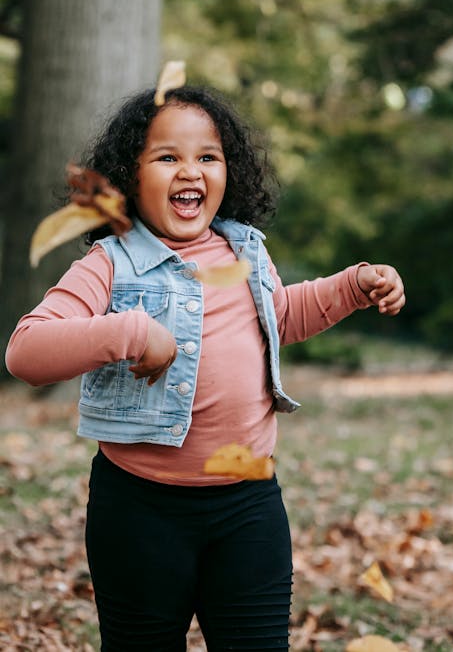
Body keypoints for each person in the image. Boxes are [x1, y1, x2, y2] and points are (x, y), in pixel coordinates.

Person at [5, 85, 405, 652]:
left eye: (207, 157)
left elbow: (281, 315)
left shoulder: (245, 253)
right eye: (168, 157)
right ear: (127, 176)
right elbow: (26, 351)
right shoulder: (110, 264)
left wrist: (354, 285)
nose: (189, 170)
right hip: (140, 510)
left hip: (248, 505)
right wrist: (132, 331)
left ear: (229, 172)